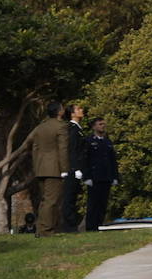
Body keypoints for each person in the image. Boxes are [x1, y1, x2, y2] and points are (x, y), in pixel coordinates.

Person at [21, 101, 69, 237]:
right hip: (54, 168)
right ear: (60, 112)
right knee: (51, 201)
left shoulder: (40, 127)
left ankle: (41, 229)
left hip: (40, 168)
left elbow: (28, 143)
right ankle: (46, 231)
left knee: (45, 200)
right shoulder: (61, 127)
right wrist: (65, 169)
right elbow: (63, 149)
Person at [84, 117, 119, 231]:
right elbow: (86, 159)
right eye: (100, 124)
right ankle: (90, 227)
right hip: (94, 177)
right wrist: (87, 176)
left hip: (106, 176)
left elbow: (112, 160)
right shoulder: (89, 141)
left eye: (103, 124)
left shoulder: (107, 141)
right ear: (94, 126)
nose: (102, 126)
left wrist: (114, 176)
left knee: (103, 203)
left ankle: (99, 225)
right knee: (93, 204)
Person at [61, 104, 87, 232]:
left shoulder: (78, 129)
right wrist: (75, 168)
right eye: (78, 109)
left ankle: (72, 225)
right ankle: (69, 226)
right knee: (69, 198)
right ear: (72, 114)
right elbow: (72, 150)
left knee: (73, 197)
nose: (81, 110)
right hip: (73, 169)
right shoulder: (72, 129)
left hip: (78, 168)